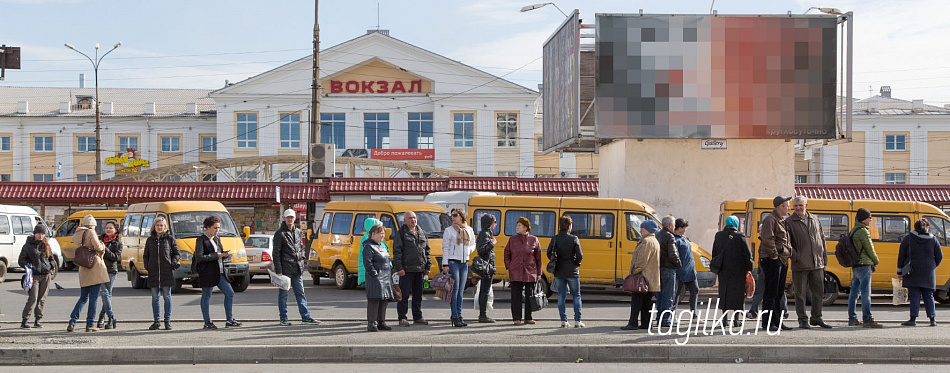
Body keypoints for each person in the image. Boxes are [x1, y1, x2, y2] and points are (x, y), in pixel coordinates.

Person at [785, 196, 833, 329]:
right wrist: (796, 256)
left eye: (801, 205)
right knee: (800, 294)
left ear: (807, 205)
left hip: (817, 262)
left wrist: (824, 258)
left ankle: (817, 317)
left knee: (818, 292)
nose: (798, 208)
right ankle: (802, 319)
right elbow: (787, 243)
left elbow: (821, 239)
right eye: (796, 206)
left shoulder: (815, 219)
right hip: (799, 264)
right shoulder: (789, 222)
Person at [273, 209, 320, 326]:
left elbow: (300, 247)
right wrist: (279, 271)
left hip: (297, 268)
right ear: (284, 218)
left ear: (295, 218)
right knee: (283, 295)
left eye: (292, 217)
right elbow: (276, 253)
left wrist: (302, 258)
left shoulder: (298, 232)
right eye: (288, 217)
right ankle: (283, 318)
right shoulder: (280, 233)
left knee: (301, 293)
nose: (290, 219)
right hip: (285, 270)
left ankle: (306, 317)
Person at [195, 215, 241, 330]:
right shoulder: (201, 239)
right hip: (207, 272)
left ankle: (229, 320)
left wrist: (224, 255)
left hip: (220, 271)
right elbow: (199, 257)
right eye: (215, 228)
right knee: (206, 296)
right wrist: (217, 255)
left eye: (219, 228)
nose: (217, 230)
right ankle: (207, 321)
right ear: (208, 227)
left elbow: (219, 252)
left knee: (230, 293)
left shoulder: (217, 238)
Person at [898, 218, 943, 327]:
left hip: (912, 270)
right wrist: (932, 265)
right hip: (928, 271)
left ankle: (913, 319)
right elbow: (939, 256)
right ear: (927, 227)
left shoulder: (908, 238)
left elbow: (901, 255)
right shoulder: (933, 240)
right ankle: (932, 320)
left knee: (914, 295)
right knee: (929, 295)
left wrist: (899, 271)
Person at [68, 215, 110, 332]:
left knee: (83, 297)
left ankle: (72, 321)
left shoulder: (77, 234)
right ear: (93, 225)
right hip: (94, 266)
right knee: (93, 298)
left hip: (83, 267)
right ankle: (90, 324)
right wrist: (102, 245)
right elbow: (97, 247)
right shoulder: (91, 232)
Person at [759, 195, 793, 332]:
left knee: (778, 292)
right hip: (773, 260)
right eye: (787, 205)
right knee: (771, 292)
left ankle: (778, 321)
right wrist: (774, 256)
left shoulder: (781, 220)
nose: (789, 208)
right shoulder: (770, 220)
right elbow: (767, 239)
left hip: (782, 259)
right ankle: (768, 322)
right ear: (781, 206)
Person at [712, 216, 754, 327]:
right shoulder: (740, 236)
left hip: (723, 270)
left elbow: (714, 252)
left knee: (724, 294)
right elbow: (747, 255)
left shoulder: (719, 236)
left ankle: (724, 320)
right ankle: (736, 320)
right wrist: (749, 268)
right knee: (737, 295)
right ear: (736, 224)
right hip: (738, 271)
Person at [393, 211, 431, 327]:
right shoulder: (401, 234)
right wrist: (399, 268)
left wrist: (427, 266)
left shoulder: (422, 232)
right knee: (403, 295)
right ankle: (402, 317)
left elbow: (427, 250)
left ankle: (417, 316)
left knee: (418, 295)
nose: (413, 220)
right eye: (410, 218)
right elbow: (397, 252)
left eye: (414, 218)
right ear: (405, 220)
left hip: (420, 269)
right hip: (406, 269)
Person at [621, 220, 661, 331]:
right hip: (650, 278)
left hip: (643, 278)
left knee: (636, 302)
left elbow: (642, 260)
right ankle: (646, 323)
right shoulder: (653, 240)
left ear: (648, 229)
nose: (640, 230)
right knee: (646, 303)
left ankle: (633, 323)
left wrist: (634, 271)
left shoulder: (647, 242)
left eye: (642, 228)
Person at [848, 208, 883, 328]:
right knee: (865, 293)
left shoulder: (853, 230)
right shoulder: (863, 232)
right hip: (864, 265)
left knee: (853, 294)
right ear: (863, 219)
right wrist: (876, 261)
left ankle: (852, 318)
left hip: (856, 265)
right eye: (869, 217)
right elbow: (870, 249)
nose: (871, 220)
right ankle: (867, 318)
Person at [144, 216, 180, 331]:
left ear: (165, 227)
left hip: (166, 272)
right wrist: (148, 266)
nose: (160, 227)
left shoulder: (169, 239)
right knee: (155, 298)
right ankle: (156, 321)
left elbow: (176, 253)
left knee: (167, 297)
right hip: (154, 273)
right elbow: (146, 255)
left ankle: (167, 321)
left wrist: (172, 263)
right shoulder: (150, 240)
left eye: (162, 225)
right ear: (154, 226)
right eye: (158, 225)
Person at [504, 216, 542, 326]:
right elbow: (507, 253)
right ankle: (516, 318)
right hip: (515, 271)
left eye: (519, 225)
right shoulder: (512, 239)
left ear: (526, 227)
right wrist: (509, 266)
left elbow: (538, 258)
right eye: (516, 225)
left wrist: (539, 273)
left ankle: (528, 317)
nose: (517, 227)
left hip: (530, 272)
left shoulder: (534, 239)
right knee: (516, 297)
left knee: (530, 296)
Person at [18, 224, 57, 329]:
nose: (41, 236)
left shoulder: (46, 244)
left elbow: (52, 258)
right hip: (33, 275)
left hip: (46, 274)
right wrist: (29, 267)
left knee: (42, 299)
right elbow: (21, 260)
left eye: (43, 234)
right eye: (39, 233)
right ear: (35, 233)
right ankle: (25, 320)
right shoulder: (28, 246)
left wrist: (51, 265)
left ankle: (38, 319)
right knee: (33, 298)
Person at [548, 215, 584, 328]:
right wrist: (576, 264)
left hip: (559, 270)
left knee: (561, 296)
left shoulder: (555, 238)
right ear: (569, 226)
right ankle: (577, 321)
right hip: (572, 271)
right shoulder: (574, 238)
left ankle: (564, 320)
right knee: (576, 296)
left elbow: (549, 253)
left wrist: (555, 260)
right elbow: (580, 255)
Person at [442, 208, 476, 327]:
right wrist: (445, 264)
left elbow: (473, 244)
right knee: (455, 290)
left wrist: (468, 251)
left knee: (461, 290)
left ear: (461, 216)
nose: (453, 217)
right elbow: (445, 247)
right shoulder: (449, 230)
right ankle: (455, 315)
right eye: (452, 215)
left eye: (455, 215)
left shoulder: (469, 230)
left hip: (464, 262)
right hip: (453, 262)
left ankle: (459, 315)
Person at [363, 224, 394, 332]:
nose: (382, 235)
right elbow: (367, 262)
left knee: (384, 300)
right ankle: (372, 323)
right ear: (373, 234)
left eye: (383, 233)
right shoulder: (368, 246)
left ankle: (382, 322)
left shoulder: (381, 245)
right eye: (380, 233)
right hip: (376, 277)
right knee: (374, 300)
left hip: (385, 276)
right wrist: (374, 274)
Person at [96, 221, 123, 330]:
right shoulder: (100, 240)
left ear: (116, 230)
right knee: (104, 293)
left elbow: (115, 257)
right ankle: (111, 316)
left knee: (106, 295)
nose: (108, 230)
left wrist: (105, 249)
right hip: (99, 270)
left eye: (110, 228)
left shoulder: (118, 243)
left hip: (111, 271)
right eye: (106, 228)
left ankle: (102, 317)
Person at [656, 215, 681, 327]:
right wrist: (678, 264)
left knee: (660, 295)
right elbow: (673, 254)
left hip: (658, 268)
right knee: (669, 295)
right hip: (669, 268)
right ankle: (666, 319)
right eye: (674, 225)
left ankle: (659, 318)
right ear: (670, 225)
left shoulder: (658, 235)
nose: (674, 227)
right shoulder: (670, 237)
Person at [673, 218, 699, 317]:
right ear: (679, 228)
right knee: (676, 294)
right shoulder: (676, 240)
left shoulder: (685, 239)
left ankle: (694, 314)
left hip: (690, 271)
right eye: (684, 228)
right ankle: (672, 314)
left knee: (695, 290)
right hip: (680, 271)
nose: (685, 230)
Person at [475, 214, 498, 323]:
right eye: (494, 222)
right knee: (484, 291)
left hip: (489, 266)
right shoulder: (484, 234)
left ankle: (483, 314)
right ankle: (482, 315)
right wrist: (492, 244)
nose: (495, 224)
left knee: (485, 290)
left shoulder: (487, 233)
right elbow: (481, 250)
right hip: (486, 267)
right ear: (489, 223)